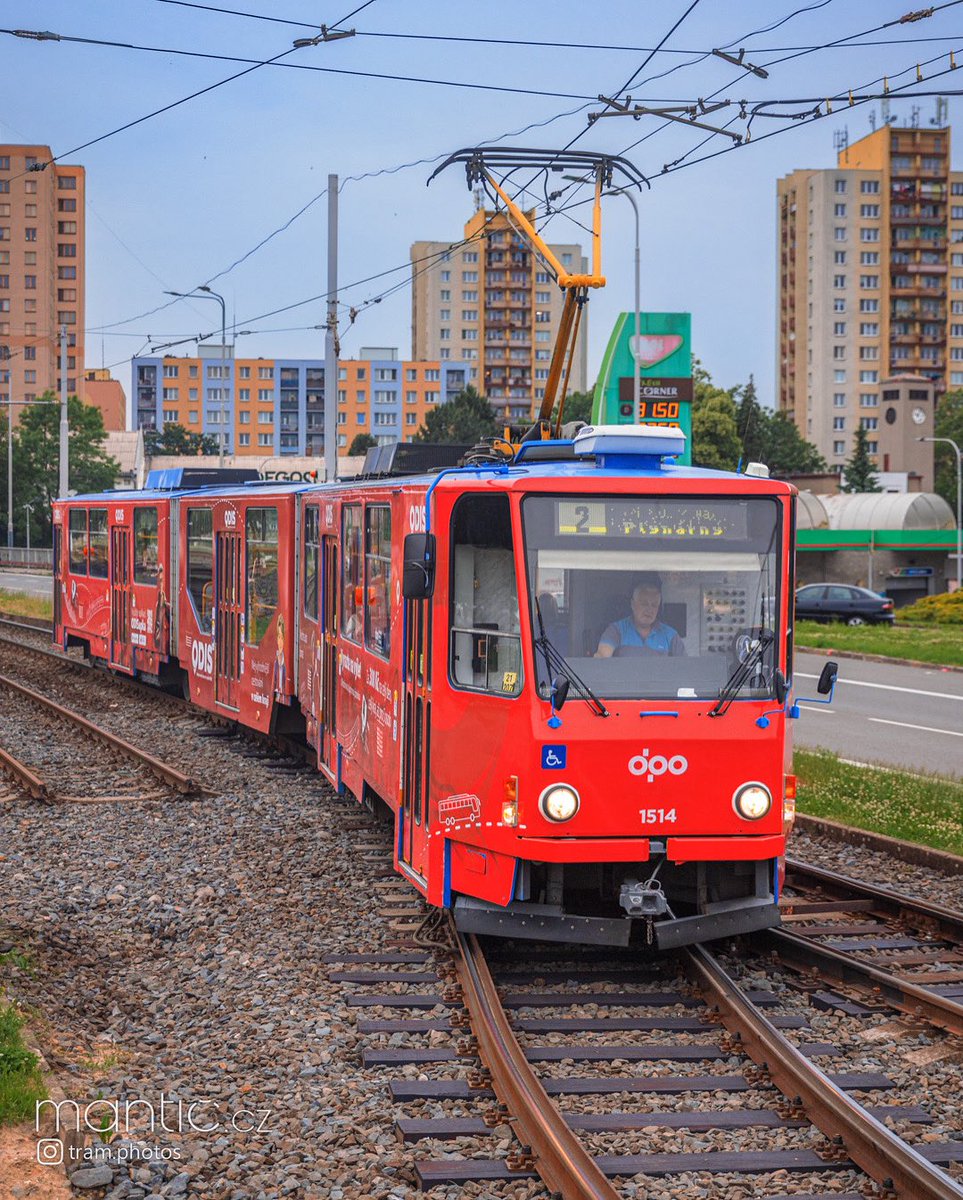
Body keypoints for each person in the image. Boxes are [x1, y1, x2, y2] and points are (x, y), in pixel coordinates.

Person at [596, 573, 685, 657]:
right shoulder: (617, 630)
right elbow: (602, 658)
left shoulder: (670, 635)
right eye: (644, 604)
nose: (650, 609)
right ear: (632, 605)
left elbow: (684, 668)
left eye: (654, 605)